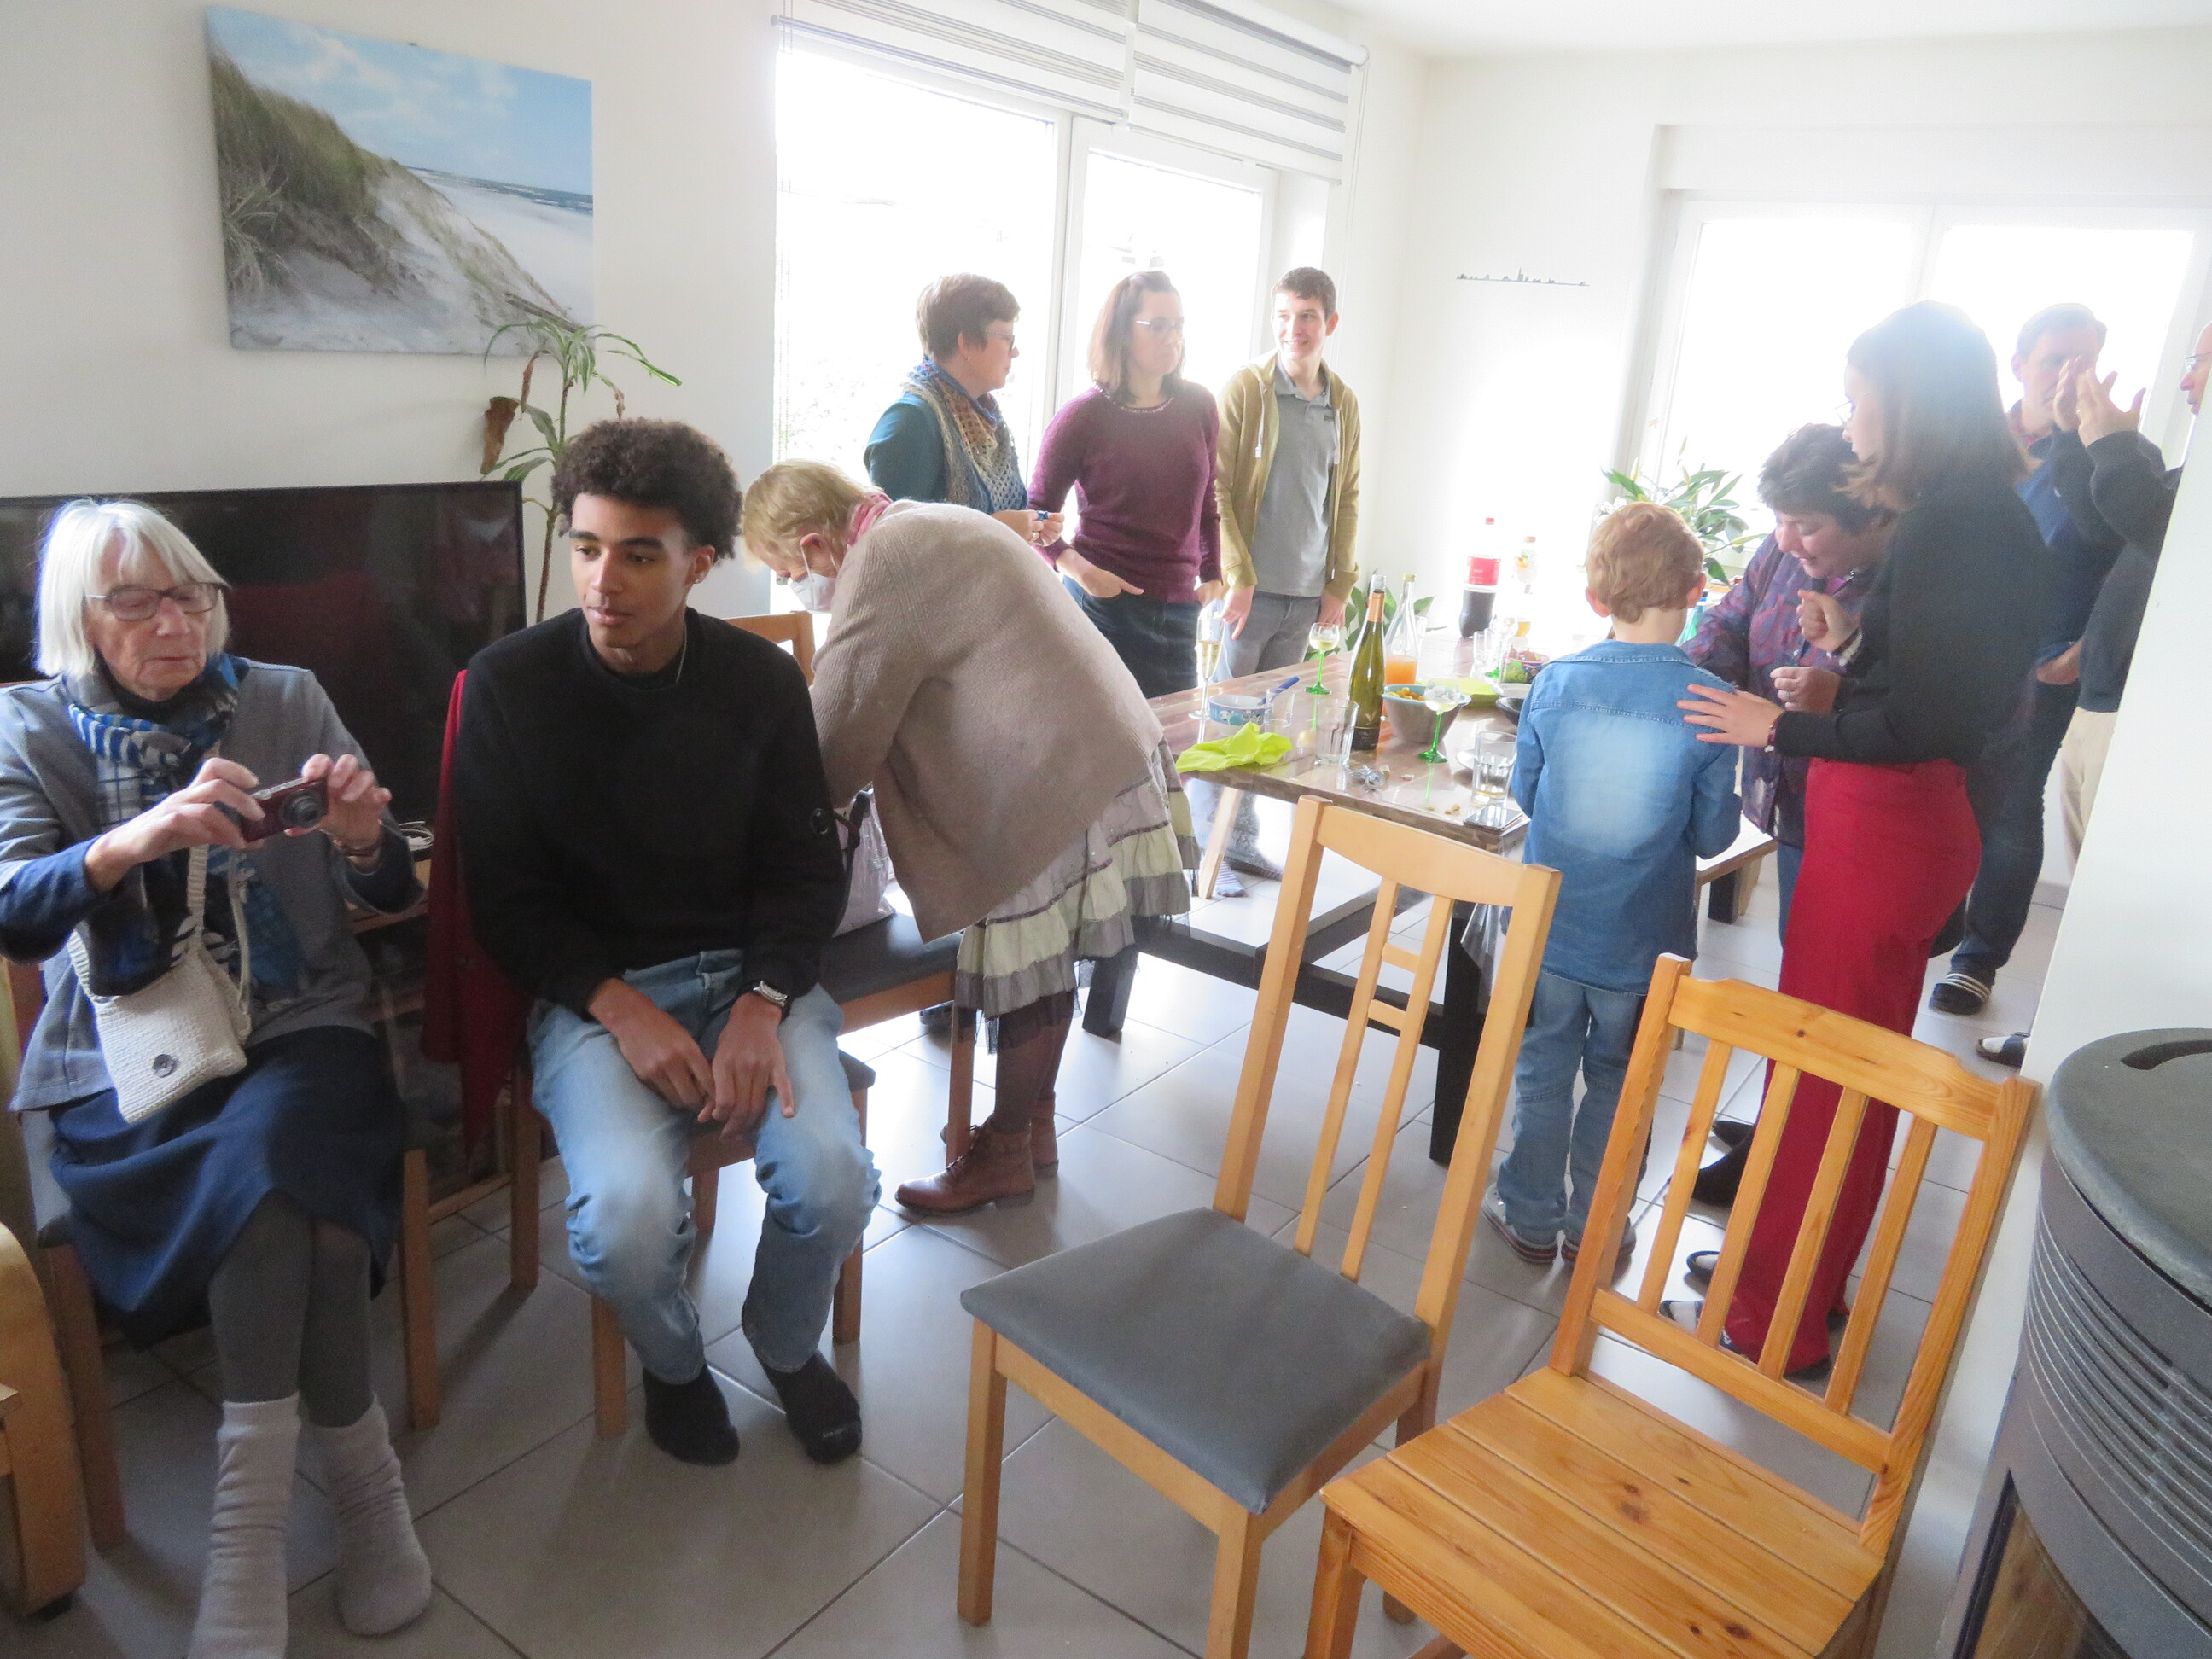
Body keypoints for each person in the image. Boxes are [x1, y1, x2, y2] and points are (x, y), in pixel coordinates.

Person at [0, 500, 430, 1656]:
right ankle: (362, 1494)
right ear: (80, 619)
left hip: (301, 1019)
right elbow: (15, 913)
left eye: (189, 595)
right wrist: (139, 837)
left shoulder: (286, 696)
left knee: (281, 1172)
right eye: (135, 602)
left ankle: (248, 1540)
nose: (173, 623)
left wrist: (358, 837)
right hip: (125, 1056)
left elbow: (390, 885)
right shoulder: (25, 725)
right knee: (301, 1218)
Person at [455, 420, 878, 1469]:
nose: (603, 582)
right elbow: (503, 900)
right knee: (626, 1224)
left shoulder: (759, 683)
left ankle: (784, 1343)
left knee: (833, 1181)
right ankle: (678, 1367)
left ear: (699, 563)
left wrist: (763, 1002)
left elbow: (803, 873)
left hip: (752, 982)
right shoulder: (508, 686)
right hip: (595, 1001)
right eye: (587, 547)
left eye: (639, 555)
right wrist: (615, 1004)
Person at [1679, 301, 2053, 1377]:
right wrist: (1852, 650)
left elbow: (1925, 726)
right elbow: (1933, 687)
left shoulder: (1956, 522)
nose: (1851, 427)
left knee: (1823, 1073)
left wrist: (1778, 724)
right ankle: (1803, 1282)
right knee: (1844, 1069)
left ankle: (1771, 1316)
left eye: (1858, 402)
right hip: (1891, 822)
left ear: (1910, 400)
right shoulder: (1972, 512)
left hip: (1889, 827)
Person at [742, 461, 1195, 1212]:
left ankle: (1006, 1152)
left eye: (789, 572)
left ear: (816, 544)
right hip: (1100, 745)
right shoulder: (926, 518)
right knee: (1049, 958)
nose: (797, 588)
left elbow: (836, 743)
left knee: (1028, 966)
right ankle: (1035, 1129)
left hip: (1046, 772)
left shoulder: (882, 561)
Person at [1483, 503, 1741, 1272]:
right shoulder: (1709, 703)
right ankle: (1598, 1227)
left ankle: (1530, 1215)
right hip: (1644, 946)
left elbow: (1529, 795)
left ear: (1596, 597)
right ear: (1696, 590)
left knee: (1543, 1067)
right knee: (1622, 1083)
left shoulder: (1555, 683)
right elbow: (1713, 838)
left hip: (1552, 930)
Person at [1977, 319, 2208, 1070]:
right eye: (2192, 360)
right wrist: (2087, 442)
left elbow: (2148, 533)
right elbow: (2117, 526)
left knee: (2099, 892)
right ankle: (2065, 1039)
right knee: (2094, 903)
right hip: (2099, 703)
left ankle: (2075, 1047)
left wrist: (2110, 443)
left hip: (2119, 704)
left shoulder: (2161, 466)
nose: (2188, 378)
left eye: (2202, 363)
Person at [1927, 303, 2122, 1019]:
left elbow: (2130, 565)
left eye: (2084, 361)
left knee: (2013, 805)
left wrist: (2077, 653)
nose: (2070, 375)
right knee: (1936, 787)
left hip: (2043, 665)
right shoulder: (1972, 444)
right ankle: (1928, 926)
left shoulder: (2109, 453)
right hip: (1954, 652)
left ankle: (1977, 961)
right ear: (2018, 366)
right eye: (2054, 360)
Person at [1685, 424, 1887, 936]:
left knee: (1827, 953)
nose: (1785, 539)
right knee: (1796, 943)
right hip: (1782, 794)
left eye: (1806, 525)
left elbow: (1923, 709)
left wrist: (1838, 695)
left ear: (1869, 517)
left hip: (1858, 814)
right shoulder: (1780, 553)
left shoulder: (1909, 580)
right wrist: (1685, 684)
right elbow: (1728, 625)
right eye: (1779, 520)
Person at [1208, 267, 1365, 891]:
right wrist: (1237, 575)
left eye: (1306, 317)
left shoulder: (1342, 403)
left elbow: (1346, 495)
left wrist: (1340, 581)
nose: (1292, 329)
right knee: (1227, 720)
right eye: (1283, 316)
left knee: (1267, 725)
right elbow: (1217, 488)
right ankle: (1210, 853)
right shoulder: (1247, 389)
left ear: (1329, 323)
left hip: (1306, 594)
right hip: (1249, 592)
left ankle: (1243, 843)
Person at [1030, 269, 1225, 698]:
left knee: (1171, 733)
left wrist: (1213, 571)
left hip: (1181, 611)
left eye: (1177, 326)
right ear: (1122, 331)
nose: (1172, 337)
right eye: (1157, 326)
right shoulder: (1083, 416)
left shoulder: (1199, 405)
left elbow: (1207, 501)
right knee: (1103, 735)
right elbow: (1036, 515)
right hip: (1105, 608)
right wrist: (1083, 572)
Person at [863, 273, 1062, 549]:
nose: (1015, 351)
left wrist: (1029, 524)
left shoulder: (984, 417)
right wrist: (996, 529)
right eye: (1007, 338)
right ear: (966, 342)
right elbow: (896, 548)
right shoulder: (909, 423)